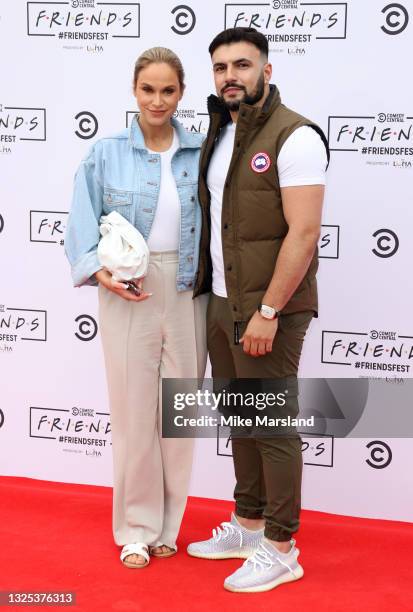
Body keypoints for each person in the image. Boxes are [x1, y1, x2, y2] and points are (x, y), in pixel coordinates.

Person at [187, 27, 329, 593]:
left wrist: (270, 309)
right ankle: (247, 523)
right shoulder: (221, 131)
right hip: (223, 303)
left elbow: (305, 232)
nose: (230, 76)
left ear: (266, 69)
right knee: (240, 419)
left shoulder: (295, 136)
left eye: (242, 65)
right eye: (220, 67)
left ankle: (281, 545)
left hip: (270, 309)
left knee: (269, 424)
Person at [65, 47, 207, 569]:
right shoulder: (105, 153)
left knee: (179, 415)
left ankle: (169, 527)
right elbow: (81, 222)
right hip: (129, 289)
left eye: (168, 90)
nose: (158, 100)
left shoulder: (203, 151)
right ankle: (135, 529)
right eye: (148, 89)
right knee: (132, 414)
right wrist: (99, 273)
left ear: (181, 93)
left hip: (192, 289)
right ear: (134, 89)